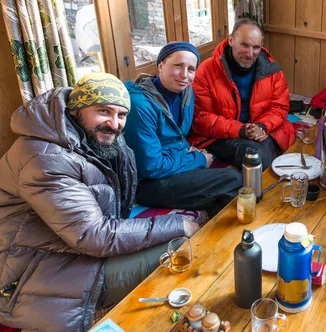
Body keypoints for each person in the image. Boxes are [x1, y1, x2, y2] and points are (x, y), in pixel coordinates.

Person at [0, 73, 199, 332]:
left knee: (171, 242)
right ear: (76, 109)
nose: (114, 123)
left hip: (70, 248)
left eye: (121, 115)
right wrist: (178, 223)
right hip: (33, 273)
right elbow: (94, 235)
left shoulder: (95, 140)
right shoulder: (44, 159)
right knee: (180, 247)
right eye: (103, 111)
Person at [124, 42, 242, 217]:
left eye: (191, 69)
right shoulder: (140, 105)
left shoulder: (186, 92)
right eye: (178, 66)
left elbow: (178, 137)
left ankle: (222, 239)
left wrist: (190, 153)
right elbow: (150, 167)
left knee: (222, 196)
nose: (184, 75)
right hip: (149, 182)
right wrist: (197, 159)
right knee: (232, 179)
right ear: (161, 66)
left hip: (174, 164)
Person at [188, 19, 295, 168]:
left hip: (259, 127)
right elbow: (201, 118)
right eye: (244, 45)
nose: (250, 54)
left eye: (256, 47)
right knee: (255, 157)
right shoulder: (206, 71)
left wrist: (261, 127)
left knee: (284, 137)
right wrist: (241, 130)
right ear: (231, 40)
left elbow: (280, 107)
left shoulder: (272, 70)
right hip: (222, 134)